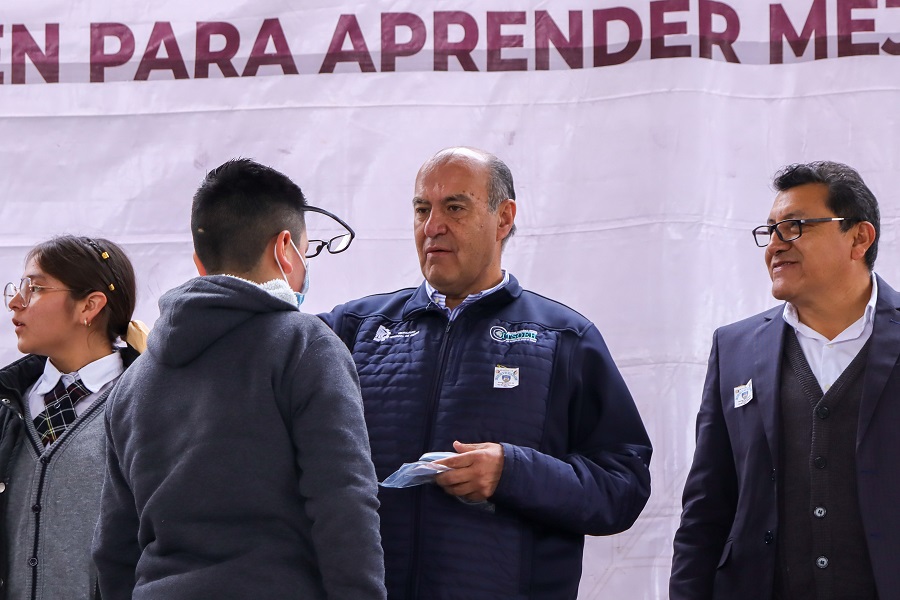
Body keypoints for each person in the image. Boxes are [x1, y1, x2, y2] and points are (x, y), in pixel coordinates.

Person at [320, 147, 652, 599]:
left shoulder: (564, 337)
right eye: (422, 209)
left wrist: (513, 474)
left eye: (454, 207)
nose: (432, 226)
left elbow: (623, 487)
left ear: (503, 218)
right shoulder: (353, 328)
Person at [91, 159, 386, 600]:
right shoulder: (305, 346)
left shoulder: (135, 381)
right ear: (286, 249)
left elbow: (112, 549)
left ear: (199, 260)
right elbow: (344, 506)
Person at [670, 161, 899, 599]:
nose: (775, 245)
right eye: (770, 230)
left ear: (859, 238)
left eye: (794, 226)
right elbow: (707, 509)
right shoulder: (735, 348)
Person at [0, 235, 143, 600]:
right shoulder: (6, 406)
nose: (15, 303)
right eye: (18, 288)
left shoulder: (147, 406)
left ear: (90, 306)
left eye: (34, 288)